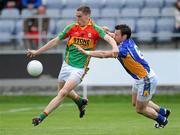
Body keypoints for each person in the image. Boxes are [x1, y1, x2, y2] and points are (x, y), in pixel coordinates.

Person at [27, 6, 118, 126]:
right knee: (62, 91)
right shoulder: (71, 28)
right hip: (66, 65)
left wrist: (115, 47)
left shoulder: (95, 29)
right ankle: (80, 101)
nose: (77, 18)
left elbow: (109, 39)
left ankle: (40, 117)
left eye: (79, 16)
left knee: (63, 92)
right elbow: (55, 41)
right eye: (76, 15)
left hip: (79, 69)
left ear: (87, 16)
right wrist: (37, 51)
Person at [76, 24, 171, 128]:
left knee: (140, 109)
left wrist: (86, 52)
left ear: (124, 36)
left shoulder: (123, 50)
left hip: (146, 80)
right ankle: (164, 111)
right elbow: (115, 38)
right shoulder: (128, 41)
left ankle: (162, 120)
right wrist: (108, 33)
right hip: (140, 78)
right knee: (135, 102)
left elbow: (104, 54)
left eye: (116, 34)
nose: (114, 36)